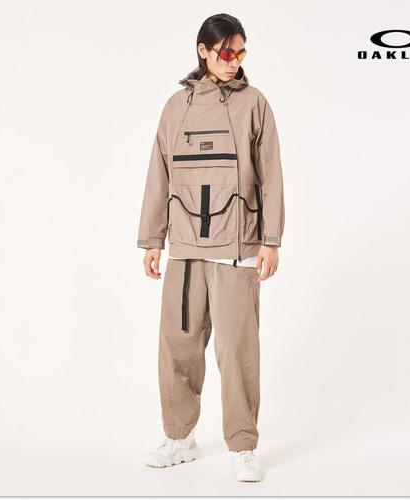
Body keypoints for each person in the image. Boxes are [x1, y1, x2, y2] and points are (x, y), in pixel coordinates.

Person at [137, 13, 285, 482]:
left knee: (237, 351)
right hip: (184, 248)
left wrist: (271, 240)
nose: (233, 61)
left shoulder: (254, 104)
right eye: (226, 52)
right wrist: (152, 239)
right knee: (177, 347)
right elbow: (159, 173)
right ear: (203, 51)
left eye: (241, 53)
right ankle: (179, 439)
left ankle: (243, 445)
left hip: (237, 248)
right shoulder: (175, 106)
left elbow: (271, 175)